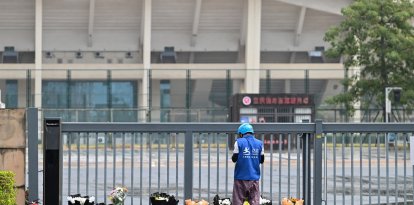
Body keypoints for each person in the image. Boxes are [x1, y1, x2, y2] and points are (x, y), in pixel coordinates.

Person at [232, 123, 264, 205]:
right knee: (254, 200)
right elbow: (261, 160)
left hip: (240, 177)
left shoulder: (238, 142)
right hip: (254, 177)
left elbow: (234, 158)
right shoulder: (259, 143)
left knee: (238, 200)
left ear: (241, 133)